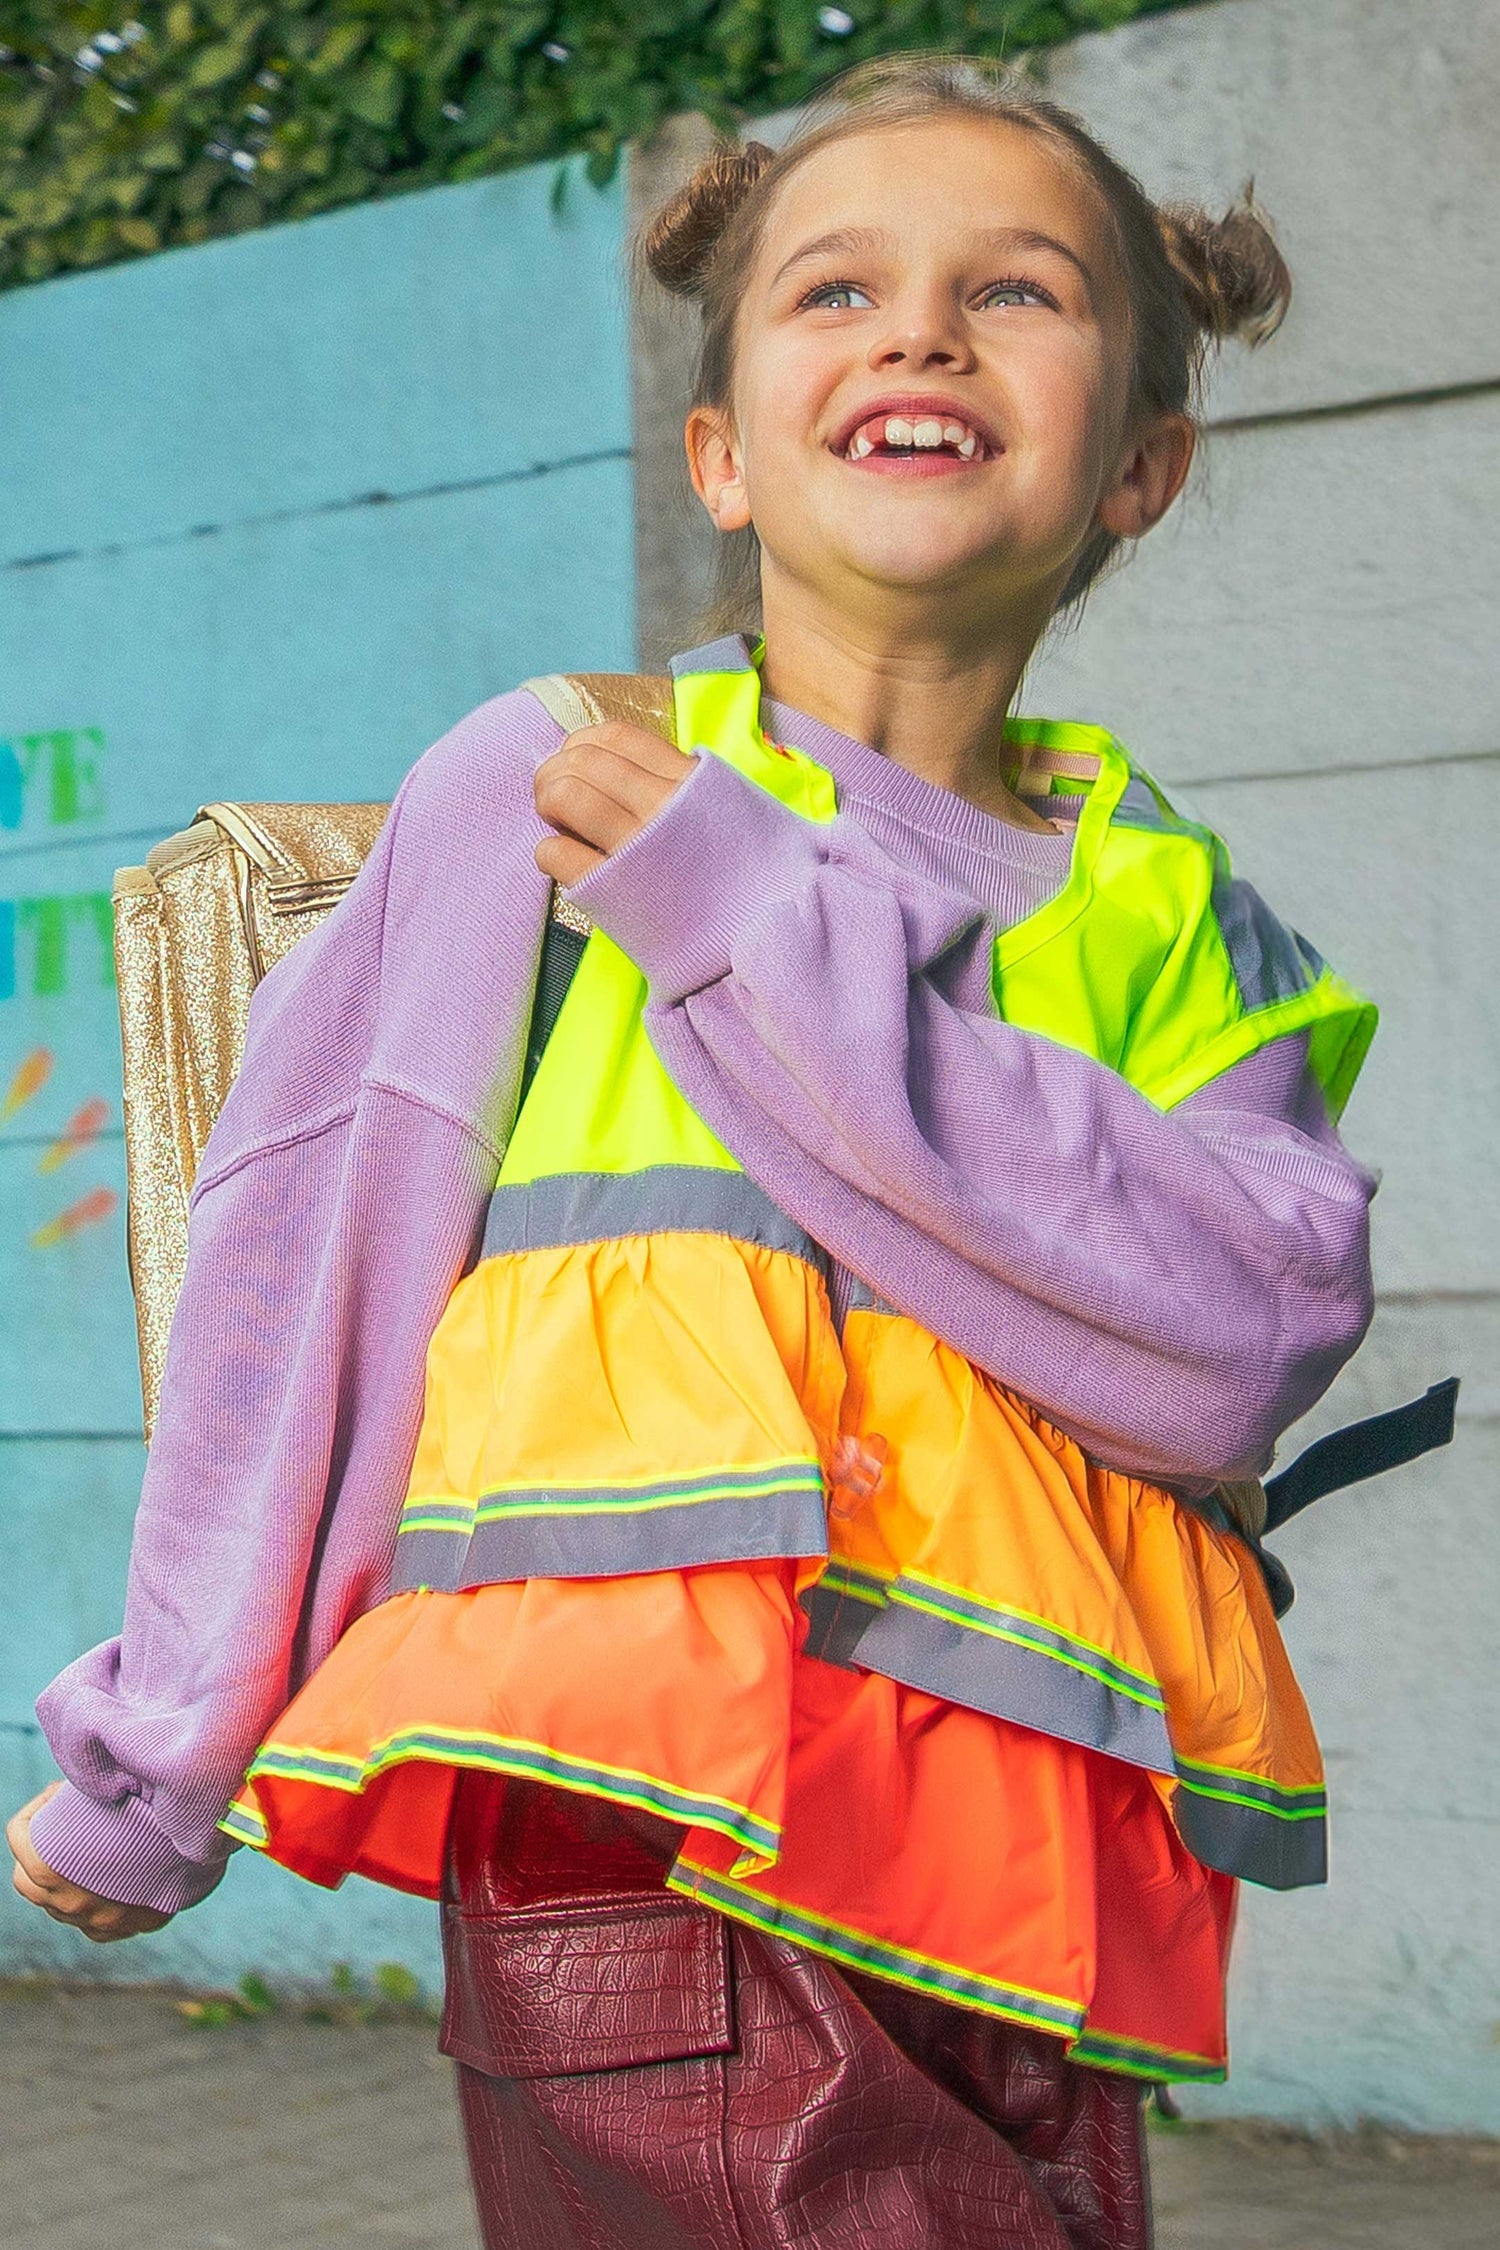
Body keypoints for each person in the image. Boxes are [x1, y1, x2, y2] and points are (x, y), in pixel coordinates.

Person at [8, 56, 1377, 2250]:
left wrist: (755, 926)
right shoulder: (555, 785)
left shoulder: (1183, 917)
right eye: (837, 291)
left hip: (1027, 1897)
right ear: (724, 460)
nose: (921, 333)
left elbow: (1238, 1339)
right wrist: (165, 1744)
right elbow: (309, 1268)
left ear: (1143, 464)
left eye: (1012, 291)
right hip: (650, 1852)